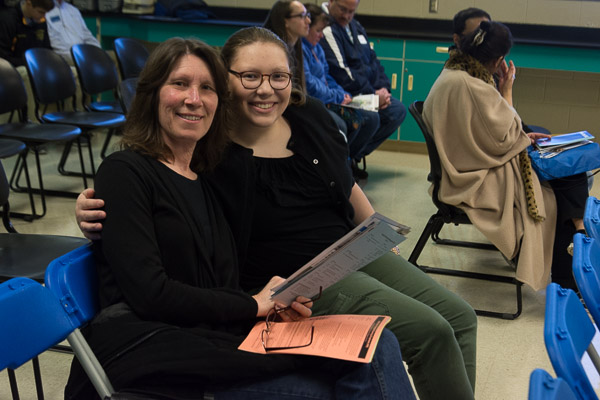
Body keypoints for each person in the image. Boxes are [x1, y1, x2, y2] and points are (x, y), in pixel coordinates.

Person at [77, 27, 477, 400]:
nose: (193, 100)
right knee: (418, 335)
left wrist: (374, 233)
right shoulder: (203, 158)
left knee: (453, 318)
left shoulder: (223, 149)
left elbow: (344, 184)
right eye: (249, 76)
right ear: (229, 83)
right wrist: (96, 210)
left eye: (279, 77)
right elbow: (151, 269)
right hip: (240, 308)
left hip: (280, 287)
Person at [422, 20, 589, 293]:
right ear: (498, 59)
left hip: (473, 166)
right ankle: (570, 270)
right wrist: (507, 89)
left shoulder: (456, 73)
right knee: (566, 180)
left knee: (564, 173)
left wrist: (522, 135)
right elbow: (507, 136)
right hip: (478, 178)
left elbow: (496, 132)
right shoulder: (471, 85)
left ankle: (571, 261)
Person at [319, 0, 406, 172]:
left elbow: (373, 61)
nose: (347, 16)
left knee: (397, 110)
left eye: (352, 11)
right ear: (331, 2)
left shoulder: (355, 26)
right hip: (347, 94)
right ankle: (341, 164)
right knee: (370, 117)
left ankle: (351, 158)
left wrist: (384, 90)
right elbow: (342, 72)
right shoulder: (326, 28)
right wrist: (373, 96)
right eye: (343, 9)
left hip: (367, 92)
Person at [302, 2, 380, 171]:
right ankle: (332, 168)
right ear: (305, 28)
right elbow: (310, 85)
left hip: (329, 99)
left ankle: (345, 164)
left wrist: (342, 94)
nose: (321, 36)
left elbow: (327, 76)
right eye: (318, 31)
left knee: (371, 118)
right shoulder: (300, 50)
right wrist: (337, 97)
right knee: (344, 124)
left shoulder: (317, 48)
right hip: (314, 104)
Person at [0, 0, 54, 66]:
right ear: (28, 2)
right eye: (41, 12)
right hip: (14, 67)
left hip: (37, 64)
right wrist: (31, 63)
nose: (43, 16)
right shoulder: (7, 20)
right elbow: (3, 56)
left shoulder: (40, 20)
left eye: (46, 13)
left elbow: (47, 48)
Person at [45, 0, 100, 64]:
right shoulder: (46, 11)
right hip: (62, 59)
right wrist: (81, 57)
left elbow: (87, 36)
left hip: (81, 55)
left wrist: (98, 51)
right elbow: (56, 45)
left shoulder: (73, 10)